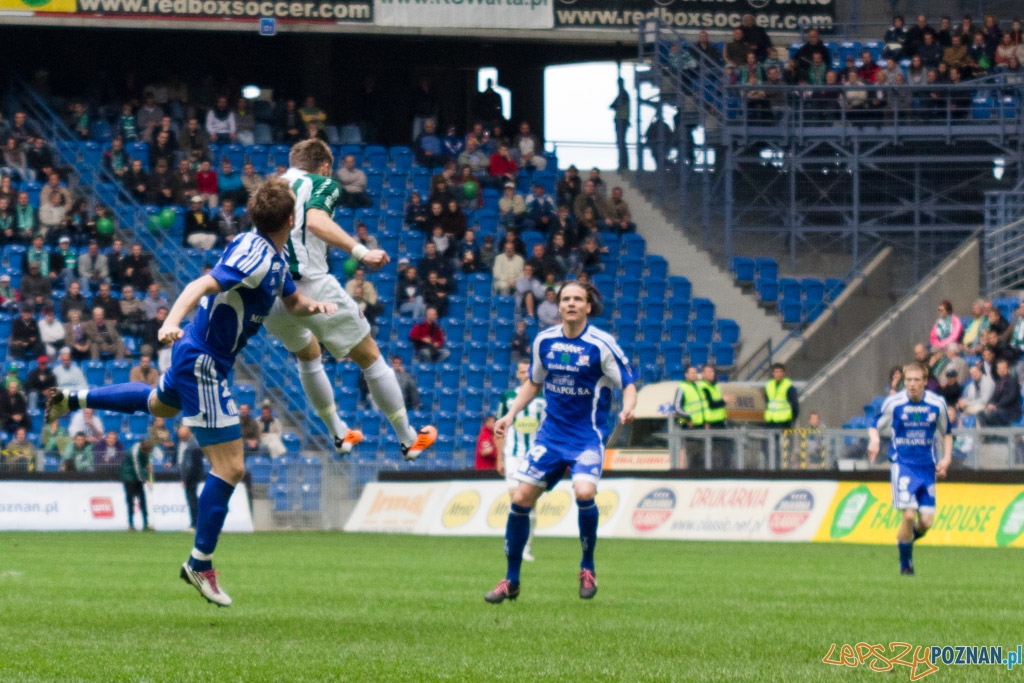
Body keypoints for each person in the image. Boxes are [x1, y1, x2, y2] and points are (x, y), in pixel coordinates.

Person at [45, 179, 340, 607]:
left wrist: (316, 307)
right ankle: (200, 564)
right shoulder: (256, 258)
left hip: (196, 357)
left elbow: (291, 300)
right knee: (231, 468)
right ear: (292, 219)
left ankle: (72, 399)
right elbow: (200, 285)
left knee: (156, 403)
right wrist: (170, 320)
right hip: (202, 360)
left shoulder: (270, 255)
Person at [261, 140, 436, 461]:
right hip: (310, 285)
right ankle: (408, 438)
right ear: (325, 167)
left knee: (308, 354)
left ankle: (339, 433)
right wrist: (361, 250)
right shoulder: (321, 182)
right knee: (370, 357)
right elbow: (315, 221)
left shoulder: (270, 188)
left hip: (270, 294)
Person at [485, 282, 636, 604]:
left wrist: (628, 405)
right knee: (521, 498)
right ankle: (511, 580)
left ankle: (587, 567)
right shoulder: (545, 341)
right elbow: (533, 384)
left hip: (586, 436)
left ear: (588, 307)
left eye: (577, 299)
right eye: (565, 298)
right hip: (551, 437)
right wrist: (510, 414)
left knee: (584, 492)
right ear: (559, 306)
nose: (570, 303)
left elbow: (628, 382)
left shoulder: (602, 344)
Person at [868, 363, 952, 576]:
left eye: (916, 380)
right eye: (908, 380)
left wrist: (947, 458)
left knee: (926, 522)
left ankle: (904, 542)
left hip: (927, 467)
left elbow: (947, 432)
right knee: (907, 516)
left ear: (925, 382)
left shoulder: (937, 404)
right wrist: (875, 440)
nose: (912, 384)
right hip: (903, 465)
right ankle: (906, 564)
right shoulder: (894, 403)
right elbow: (874, 423)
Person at [496, 358, 547, 562]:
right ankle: (515, 542)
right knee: (515, 498)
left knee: (529, 502)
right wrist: (499, 457)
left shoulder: (544, 398)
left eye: (528, 371)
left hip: (535, 457)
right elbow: (499, 429)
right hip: (513, 455)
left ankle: (526, 545)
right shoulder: (508, 398)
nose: (525, 375)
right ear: (517, 374)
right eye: (521, 372)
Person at [122, 439, 156, 532]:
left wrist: (147, 465)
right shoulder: (134, 452)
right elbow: (137, 469)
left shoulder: (145, 450)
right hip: (129, 477)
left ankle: (146, 524)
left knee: (143, 500)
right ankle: (131, 525)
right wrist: (145, 479)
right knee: (131, 502)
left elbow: (145, 461)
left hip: (137, 478)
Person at [979, 358, 1022, 426]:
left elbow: (1011, 397)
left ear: (1008, 369)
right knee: (981, 413)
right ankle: (990, 436)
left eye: (1003, 368)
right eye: (999, 368)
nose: (1001, 370)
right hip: (1000, 408)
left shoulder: (1013, 381)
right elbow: (994, 397)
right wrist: (988, 405)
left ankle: (1001, 436)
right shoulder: (998, 382)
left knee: (992, 413)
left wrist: (996, 406)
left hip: (1011, 410)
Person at [177, 424, 204, 530]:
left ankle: (195, 523)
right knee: (192, 499)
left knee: (192, 500)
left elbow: (193, 466)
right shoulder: (186, 443)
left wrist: (186, 479)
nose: (181, 439)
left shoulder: (194, 445)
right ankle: (195, 522)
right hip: (189, 476)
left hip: (192, 478)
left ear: (188, 434)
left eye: (182, 437)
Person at [763, 363, 798, 429]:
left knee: (784, 439)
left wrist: (793, 418)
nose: (778, 374)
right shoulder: (769, 385)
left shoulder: (788, 386)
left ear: (784, 373)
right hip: (771, 420)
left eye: (780, 372)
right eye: (776, 372)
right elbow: (767, 402)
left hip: (784, 421)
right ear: (773, 373)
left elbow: (794, 404)